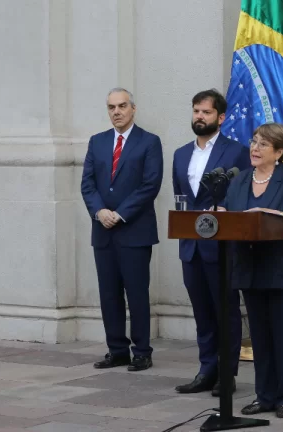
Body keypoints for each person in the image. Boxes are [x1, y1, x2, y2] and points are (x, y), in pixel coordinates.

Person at [219, 123, 283, 419]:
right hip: (251, 270)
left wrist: (275, 215)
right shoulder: (238, 181)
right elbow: (229, 212)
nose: (254, 148)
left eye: (263, 144)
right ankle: (265, 396)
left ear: (279, 151)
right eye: (254, 142)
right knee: (260, 339)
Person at [171, 90, 250, 396]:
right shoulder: (180, 154)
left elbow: (243, 192)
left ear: (221, 117)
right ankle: (206, 369)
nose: (199, 117)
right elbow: (180, 198)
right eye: (196, 111)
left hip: (221, 246)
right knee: (202, 312)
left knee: (225, 311)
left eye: (205, 112)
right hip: (190, 246)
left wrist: (228, 209)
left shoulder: (236, 152)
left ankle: (227, 375)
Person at [81, 88, 163, 371]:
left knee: (137, 293)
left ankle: (142, 351)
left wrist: (120, 214)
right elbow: (88, 184)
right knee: (109, 293)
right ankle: (117, 349)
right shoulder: (97, 142)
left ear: (133, 108)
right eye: (111, 107)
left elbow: (150, 185)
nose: (116, 112)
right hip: (103, 231)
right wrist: (99, 211)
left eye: (122, 106)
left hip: (134, 231)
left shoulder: (149, 142)